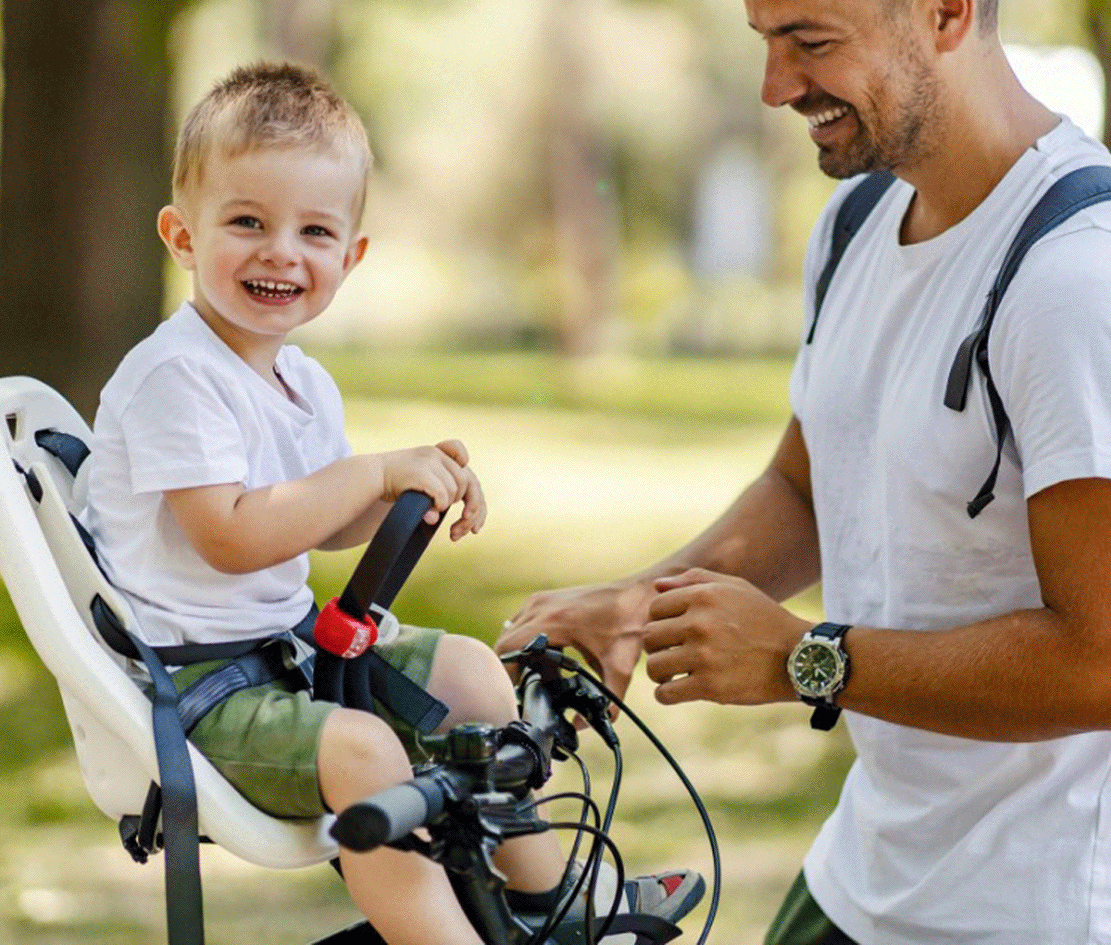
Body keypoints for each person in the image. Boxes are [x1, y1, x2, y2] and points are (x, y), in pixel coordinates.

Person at [498, 0, 1111, 945]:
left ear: (947, 9)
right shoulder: (861, 217)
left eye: (810, 41)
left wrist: (803, 659)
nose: (776, 84)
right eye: (764, 37)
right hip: (870, 875)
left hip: (1056, 910)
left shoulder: (1087, 278)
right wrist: (646, 602)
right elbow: (808, 487)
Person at [85, 61, 702, 945]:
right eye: (247, 222)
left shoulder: (301, 379)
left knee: (470, 674)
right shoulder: (175, 378)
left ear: (351, 255)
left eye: (314, 231)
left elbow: (319, 521)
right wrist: (372, 474)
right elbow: (230, 536)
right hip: (195, 692)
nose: (281, 252)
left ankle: (546, 901)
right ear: (182, 236)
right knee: (367, 751)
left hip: (282, 653)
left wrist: (403, 495)